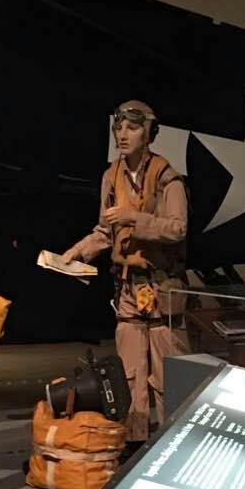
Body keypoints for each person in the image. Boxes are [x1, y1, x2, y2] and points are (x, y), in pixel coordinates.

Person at [62, 100, 188, 448]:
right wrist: (76, 252)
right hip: (128, 289)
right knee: (130, 374)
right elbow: (106, 230)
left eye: (132, 128)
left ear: (149, 133)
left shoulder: (167, 178)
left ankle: (173, 442)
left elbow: (177, 228)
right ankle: (134, 443)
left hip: (161, 288)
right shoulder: (112, 177)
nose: (123, 134)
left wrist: (133, 218)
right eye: (118, 128)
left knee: (166, 373)